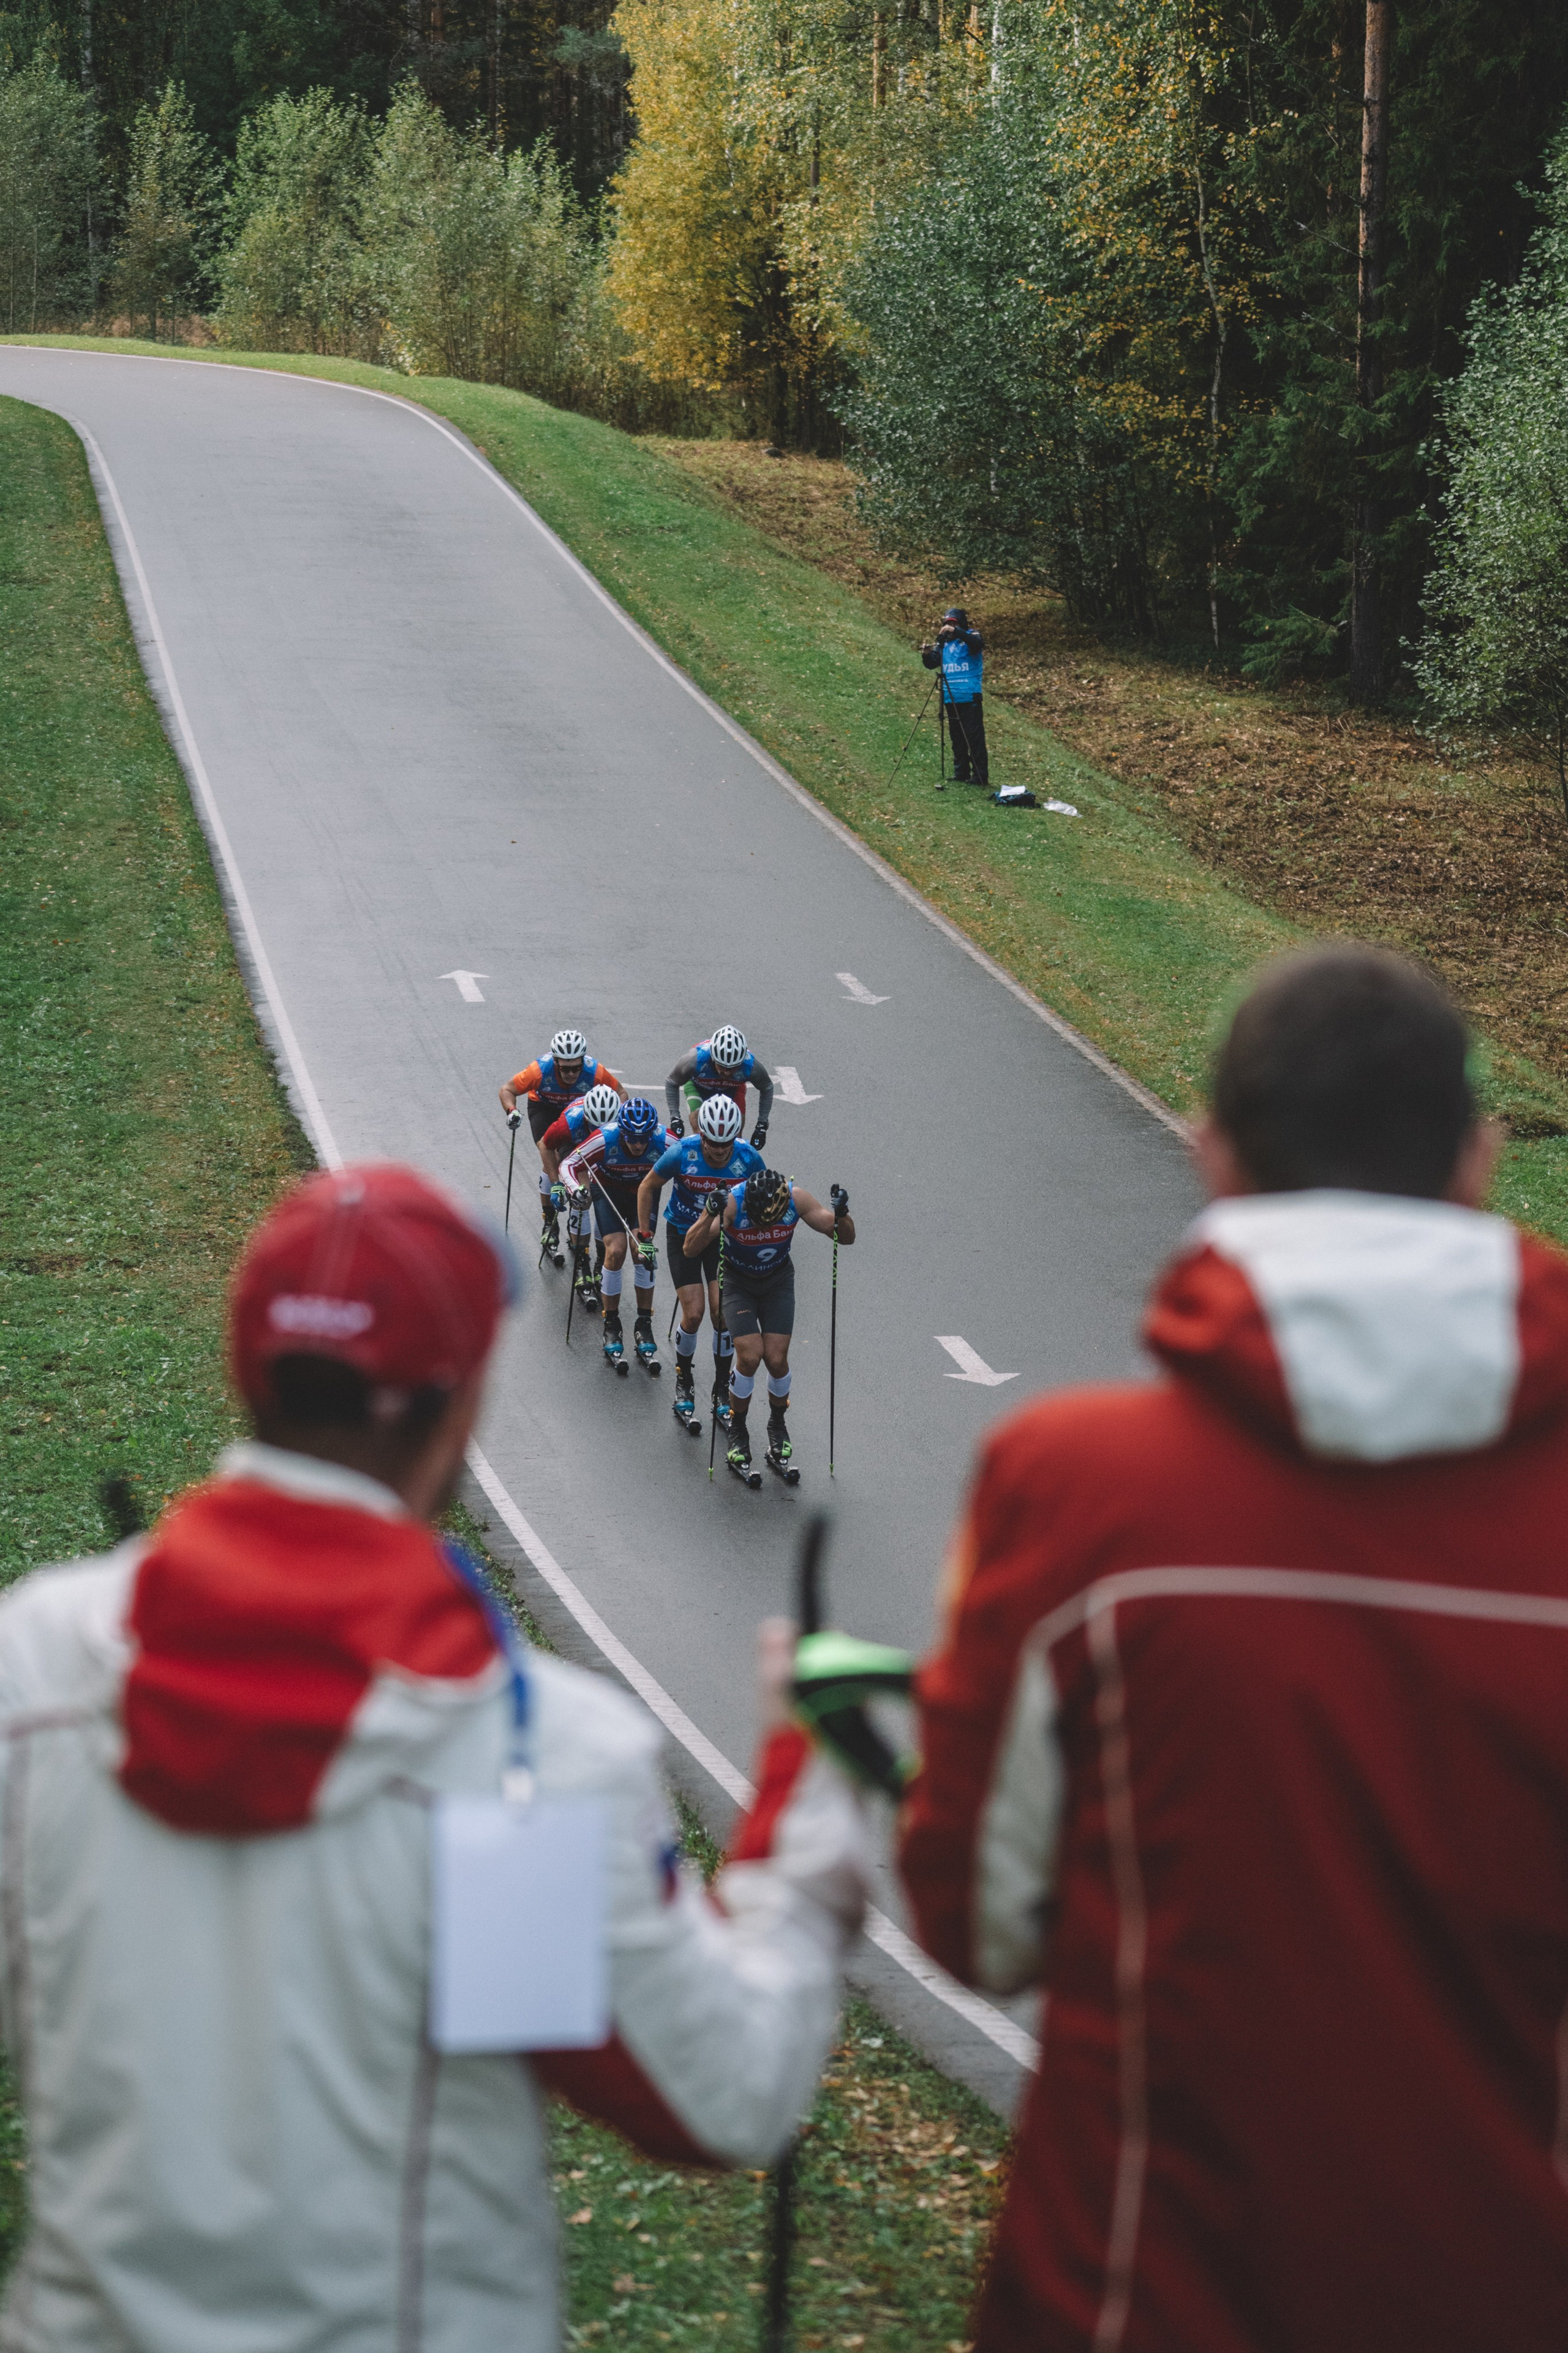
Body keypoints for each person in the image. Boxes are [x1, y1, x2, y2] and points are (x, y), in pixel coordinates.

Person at [0, 1163, 870, 2353]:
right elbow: (711, 2099)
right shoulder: (523, 1754)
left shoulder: (33, 1666)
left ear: (244, 1375)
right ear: (460, 1406)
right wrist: (806, 1798)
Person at [899, 943, 1568, 2353]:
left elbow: (975, 1915)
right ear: (1476, 1160)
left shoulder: (1068, 1485)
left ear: (1209, 1157)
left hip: (1132, 2291)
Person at [684, 1168, 853, 1486]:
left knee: (776, 1360)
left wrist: (842, 1213)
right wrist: (709, 1212)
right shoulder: (734, 1205)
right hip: (737, 1283)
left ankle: (777, 1425)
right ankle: (738, 1429)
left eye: (772, 1222)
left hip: (777, 1282)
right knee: (749, 1357)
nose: (766, 1227)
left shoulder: (796, 1199)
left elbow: (845, 1238)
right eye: (761, 1221)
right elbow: (690, 1249)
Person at [636, 1094, 764, 1437]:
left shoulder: (749, 1159)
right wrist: (645, 1234)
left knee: (721, 1313)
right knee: (693, 1314)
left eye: (725, 1143)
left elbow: (762, 1203)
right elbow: (648, 1186)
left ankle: (721, 1388)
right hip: (683, 1235)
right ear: (702, 1135)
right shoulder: (683, 1152)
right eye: (712, 1142)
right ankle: (685, 1379)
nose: (719, 1150)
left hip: (721, 1237)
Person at [559, 1093, 673, 1372]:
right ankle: (611, 1322)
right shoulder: (605, 1138)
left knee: (642, 1251)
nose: (637, 1144)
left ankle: (644, 1323)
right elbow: (568, 1164)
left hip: (643, 1196)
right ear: (621, 1131)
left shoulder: (665, 1140)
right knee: (616, 1250)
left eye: (644, 1138)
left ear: (653, 1133)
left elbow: (692, 1163)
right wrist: (576, 1190)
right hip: (608, 1190)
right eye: (632, 1138)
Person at [499, 1028, 624, 1256]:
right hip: (544, 1107)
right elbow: (507, 1089)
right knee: (548, 1152)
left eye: (576, 1067)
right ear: (555, 1062)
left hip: (580, 1114)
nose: (571, 1073)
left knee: (573, 1160)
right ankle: (550, 1221)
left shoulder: (595, 1072)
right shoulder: (539, 1070)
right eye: (565, 1068)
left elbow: (621, 1094)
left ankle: (575, 1222)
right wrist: (511, 1111)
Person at [538, 1079, 622, 1310]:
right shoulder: (569, 1122)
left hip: (609, 1151)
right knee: (583, 1197)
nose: (598, 1133)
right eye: (593, 1127)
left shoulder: (623, 1120)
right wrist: (556, 1184)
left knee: (608, 1195)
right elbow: (546, 1146)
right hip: (574, 1148)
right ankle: (582, 1262)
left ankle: (600, 1260)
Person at [665, 1024, 774, 1147]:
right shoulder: (694, 1061)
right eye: (722, 1066)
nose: (727, 1072)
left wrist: (762, 1126)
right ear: (713, 1059)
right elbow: (671, 1082)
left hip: (732, 1089)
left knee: (735, 1138)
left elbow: (767, 1088)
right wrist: (675, 1118)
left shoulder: (751, 1066)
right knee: (700, 1133)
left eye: (733, 1068)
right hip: (698, 1087)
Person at [920, 607, 988, 790]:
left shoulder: (971, 636)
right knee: (957, 736)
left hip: (970, 695)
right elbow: (932, 663)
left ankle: (980, 776)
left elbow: (978, 643)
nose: (949, 627)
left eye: (954, 624)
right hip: (951, 696)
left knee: (974, 737)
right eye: (947, 624)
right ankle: (961, 772)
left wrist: (957, 631)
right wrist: (926, 654)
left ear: (961, 624)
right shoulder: (943, 644)